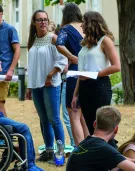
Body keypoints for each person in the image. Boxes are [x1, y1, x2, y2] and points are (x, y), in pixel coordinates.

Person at [0, 51, 44, 171]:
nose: (0, 62)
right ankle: (30, 166)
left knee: (19, 128)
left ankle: (17, 155)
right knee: (24, 128)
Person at [25, 10, 67, 162]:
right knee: (43, 120)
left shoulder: (53, 38)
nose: (43, 22)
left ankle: (60, 153)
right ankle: (49, 150)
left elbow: (63, 60)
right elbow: (31, 65)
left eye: (45, 20)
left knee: (54, 119)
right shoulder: (32, 40)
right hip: (36, 85)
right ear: (34, 22)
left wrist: (51, 74)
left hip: (51, 84)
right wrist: (29, 87)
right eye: (39, 20)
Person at [71, 11, 121, 135]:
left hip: (100, 86)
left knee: (101, 126)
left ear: (92, 23)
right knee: (90, 126)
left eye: (84, 22)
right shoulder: (85, 44)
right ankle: (97, 152)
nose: (81, 26)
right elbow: (82, 71)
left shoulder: (105, 41)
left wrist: (94, 74)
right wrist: (75, 94)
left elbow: (116, 66)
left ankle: (109, 151)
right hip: (84, 86)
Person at [66, 106, 135, 171]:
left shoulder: (87, 142)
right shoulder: (104, 149)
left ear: (95, 124)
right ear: (116, 129)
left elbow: (133, 161)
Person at [56, 2, 89, 146]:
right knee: (84, 116)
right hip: (90, 70)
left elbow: (59, 44)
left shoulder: (65, 29)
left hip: (75, 70)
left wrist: (71, 56)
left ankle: (80, 149)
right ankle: (90, 146)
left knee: (73, 114)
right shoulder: (86, 27)